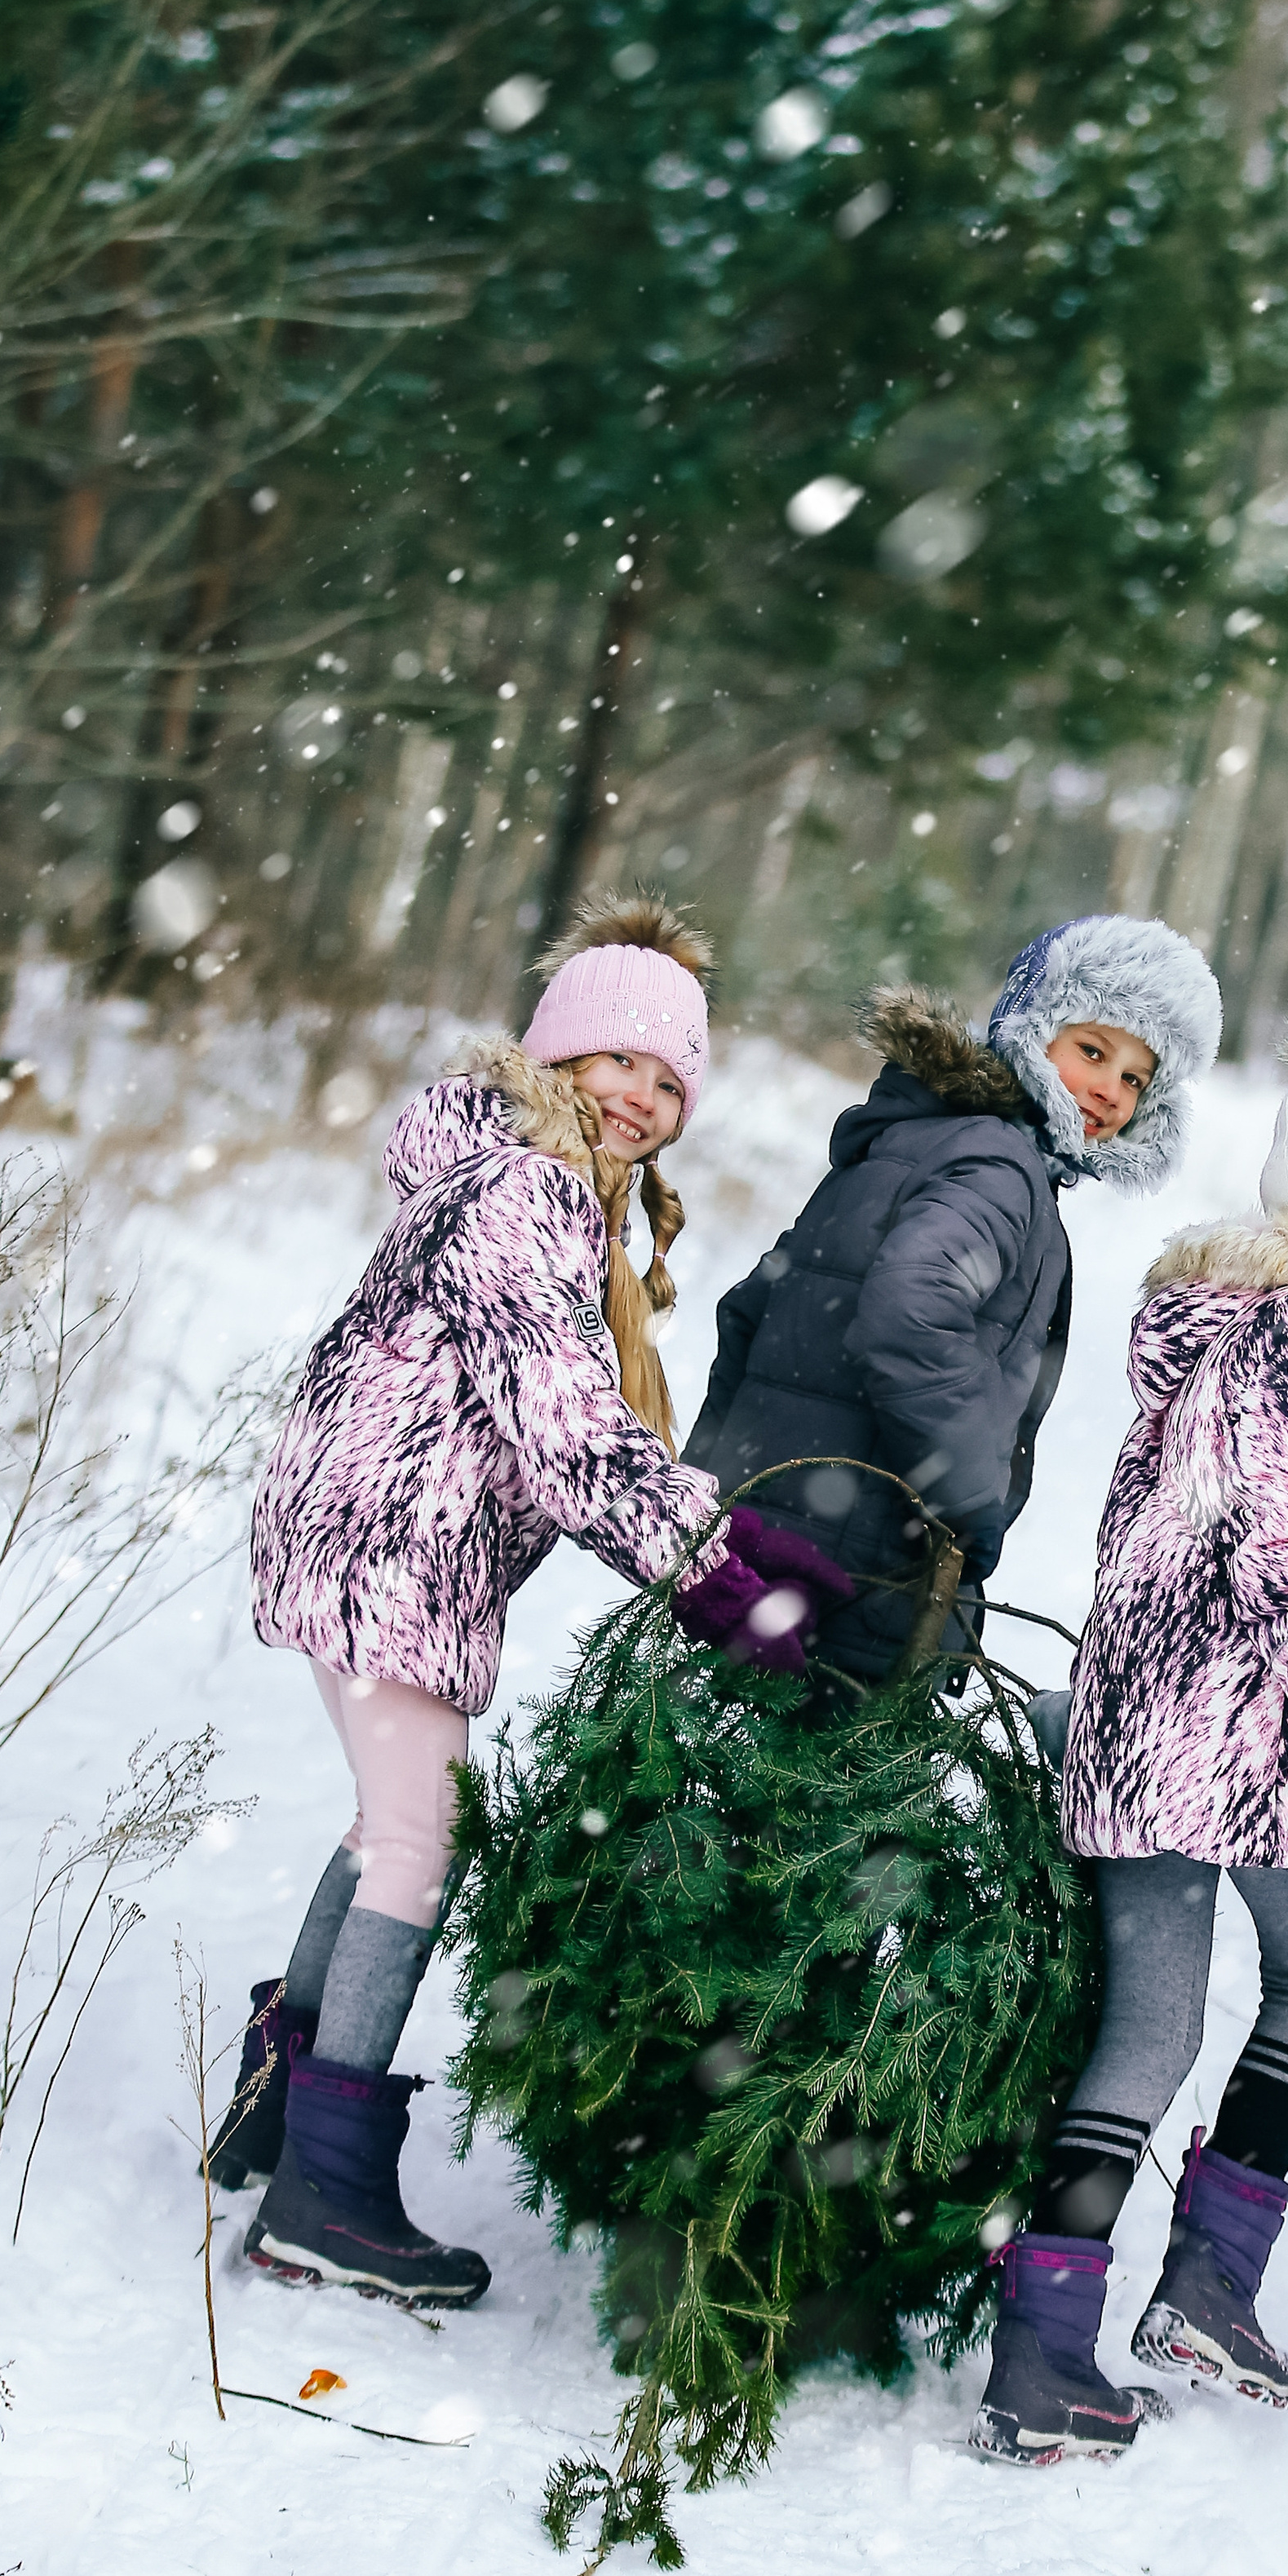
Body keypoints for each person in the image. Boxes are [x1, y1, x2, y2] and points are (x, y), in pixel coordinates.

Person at [215, 894, 848, 2305]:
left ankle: (279, 2105)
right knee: (416, 1847)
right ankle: (324, 2190)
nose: (637, 1096)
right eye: (613, 1062)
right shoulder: (524, 1189)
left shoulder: (521, 1177)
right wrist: (719, 1575)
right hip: (394, 1541)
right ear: (554, 1060)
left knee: (388, 1824)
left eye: (667, 1078)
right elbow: (565, 1426)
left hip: (382, 1532)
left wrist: (716, 1543)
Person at [972, 978, 1288, 2466]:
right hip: (1254, 1726)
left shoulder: (1232, 1314)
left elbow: (1174, 1519)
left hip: (1157, 1723)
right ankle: (1206, 2291)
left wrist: (1110, 1700)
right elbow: (1282, 1529)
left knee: (1154, 2024)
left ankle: (1048, 2347)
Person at [684, 916, 1224, 1682]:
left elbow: (750, 1308)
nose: (1111, 1088)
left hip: (772, 1548)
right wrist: (969, 1502)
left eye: (1137, 1078)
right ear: (1031, 1034)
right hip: (863, 1566)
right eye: (1093, 1051)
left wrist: (709, 1505)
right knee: (832, 1790)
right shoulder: (1000, 1168)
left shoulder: (927, 1135)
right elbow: (910, 1309)